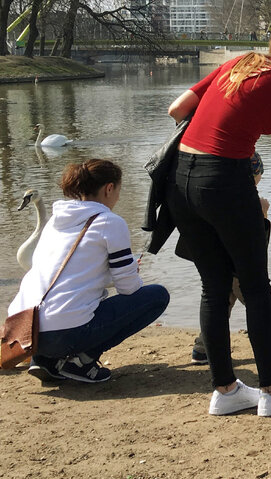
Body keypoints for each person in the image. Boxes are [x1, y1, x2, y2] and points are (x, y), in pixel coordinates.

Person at [165, 20, 271, 417]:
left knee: (213, 286)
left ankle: (225, 390)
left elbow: (177, 109)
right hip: (224, 180)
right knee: (255, 286)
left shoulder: (238, 63)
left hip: (180, 179)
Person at [11, 160, 170, 384]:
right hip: (63, 333)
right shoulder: (109, 221)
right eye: (118, 190)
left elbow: (63, 272)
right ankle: (81, 362)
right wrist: (128, 270)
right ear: (109, 188)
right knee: (157, 296)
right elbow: (129, 288)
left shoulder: (55, 220)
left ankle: (45, 360)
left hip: (25, 331)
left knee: (66, 306)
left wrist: (108, 275)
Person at [188, 151, 271, 365]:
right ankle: (268, 341)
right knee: (255, 300)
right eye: (256, 182)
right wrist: (264, 214)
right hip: (240, 266)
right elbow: (257, 240)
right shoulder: (250, 203)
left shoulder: (215, 198)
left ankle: (202, 348)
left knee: (221, 302)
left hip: (218, 262)